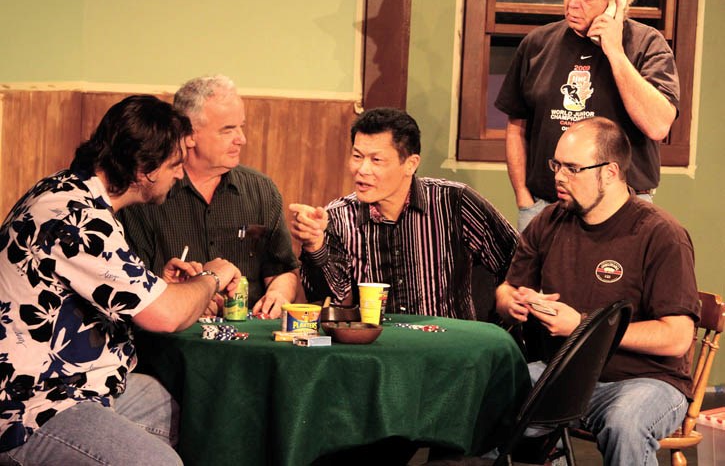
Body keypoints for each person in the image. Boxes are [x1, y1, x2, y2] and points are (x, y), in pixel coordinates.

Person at [0, 95, 241, 465]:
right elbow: (166, 316)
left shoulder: (71, 189)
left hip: (85, 381)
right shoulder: (77, 219)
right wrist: (212, 275)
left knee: (200, 416)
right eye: (175, 164)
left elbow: (95, 288)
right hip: (34, 404)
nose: (180, 174)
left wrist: (159, 286)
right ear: (145, 169)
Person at [496, 117, 699, 465]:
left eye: (573, 168)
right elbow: (508, 291)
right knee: (486, 396)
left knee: (625, 422)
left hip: (646, 380)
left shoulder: (660, 234)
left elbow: (677, 337)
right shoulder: (549, 221)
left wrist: (581, 326)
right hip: (563, 373)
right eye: (556, 164)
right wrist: (510, 301)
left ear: (610, 172)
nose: (558, 176)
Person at [495, 0, 680, 231]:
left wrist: (615, 52)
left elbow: (658, 125)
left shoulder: (647, 44)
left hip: (624, 213)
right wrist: (524, 200)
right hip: (546, 209)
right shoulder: (537, 43)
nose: (573, 4)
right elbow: (517, 126)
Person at [290, 107, 518, 320]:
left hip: (447, 346)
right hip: (376, 348)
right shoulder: (338, 218)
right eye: (357, 156)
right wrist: (315, 246)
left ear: (410, 164)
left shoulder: (454, 202)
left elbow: (517, 258)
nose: (362, 170)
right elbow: (333, 301)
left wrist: (501, 312)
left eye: (376, 160)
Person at [119, 75, 298, 318]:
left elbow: (283, 270)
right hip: (170, 341)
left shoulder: (261, 190)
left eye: (241, 127)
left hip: (249, 341)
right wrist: (188, 298)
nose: (241, 139)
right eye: (227, 130)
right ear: (189, 134)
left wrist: (279, 294)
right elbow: (131, 288)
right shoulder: (147, 193)